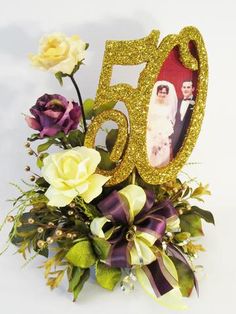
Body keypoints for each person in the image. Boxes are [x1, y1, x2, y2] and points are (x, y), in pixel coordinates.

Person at [147, 80, 178, 167]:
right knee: (150, 151)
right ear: (157, 93)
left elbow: (169, 120)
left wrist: (163, 133)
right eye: (161, 92)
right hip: (151, 131)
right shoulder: (151, 105)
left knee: (162, 153)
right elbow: (147, 119)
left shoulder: (168, 106)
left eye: (164, 93)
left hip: (162, 132)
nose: (162, 95)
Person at [172, 80, 196, 156]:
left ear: (193, 89)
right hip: (176, 138)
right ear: (181, 88)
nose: (185, 89)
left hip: (191, 138)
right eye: (184, 87)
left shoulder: (197, 102)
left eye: (188, 87)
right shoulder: (177, 102)